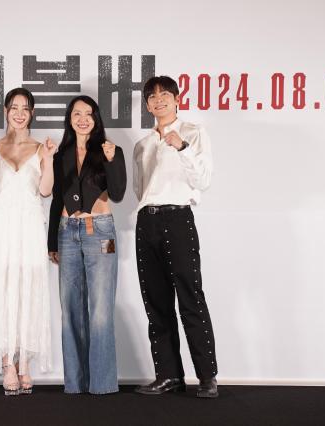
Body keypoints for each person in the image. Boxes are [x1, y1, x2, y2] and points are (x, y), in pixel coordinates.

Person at [132, 76, 218, 398]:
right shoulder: (142, 144)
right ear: (147, 105)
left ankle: (207, 376)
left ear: (177, 98)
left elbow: (204, 179)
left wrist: (181, 146)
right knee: (156, 302)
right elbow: (140, 189)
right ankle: (168, 375)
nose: (158, 101)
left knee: (190, 297)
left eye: (164, 94)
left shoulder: (194, 133)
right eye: (152, 97)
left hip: (178, 218)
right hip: (147, 220)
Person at [0, 88, 56, 395]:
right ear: (6, 111)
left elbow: (46, 191)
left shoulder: (40, 147)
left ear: (32, 113)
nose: (19, 113)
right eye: (14, 107)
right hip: (2, 227)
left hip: (31, 226)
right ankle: (7, 363)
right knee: (3, 287)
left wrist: (47, 160)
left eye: (25, 108)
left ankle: (25, 366)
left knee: (28, 288)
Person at [47, 95, 126, 394]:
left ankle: (103, 384)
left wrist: (112, 160)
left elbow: (117, 193)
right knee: (70, 309)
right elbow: (57, 198)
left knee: (101, 309)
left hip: (101, 231)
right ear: (69, 118)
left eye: (88, 114)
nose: (83, 118)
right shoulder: (61, 154)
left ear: (96, 118)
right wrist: (52, 240)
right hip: (67, 232)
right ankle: (75, 383)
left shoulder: (108, 149)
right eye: (77, 113)